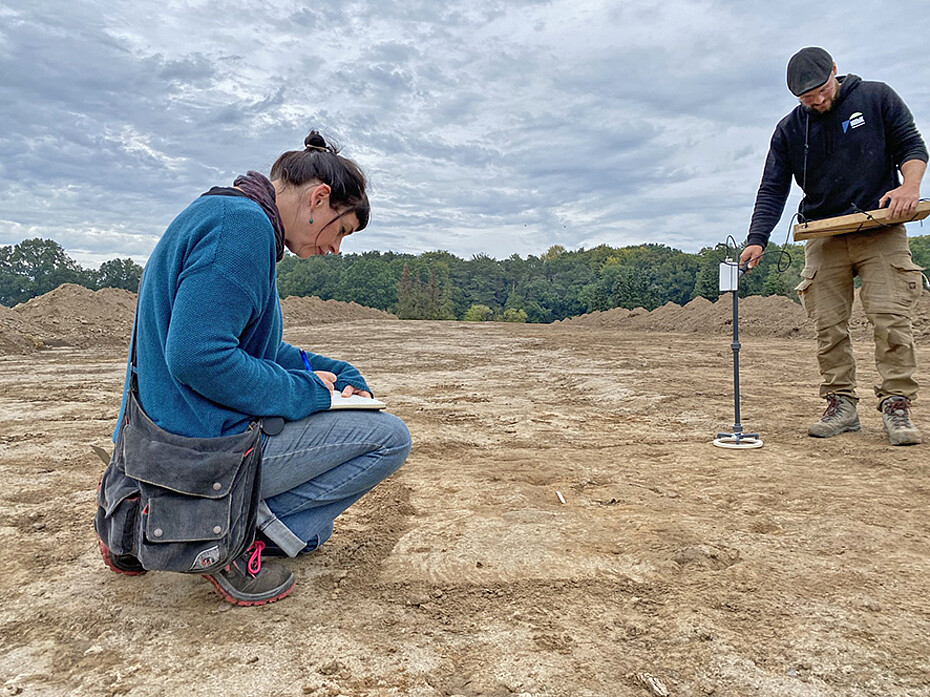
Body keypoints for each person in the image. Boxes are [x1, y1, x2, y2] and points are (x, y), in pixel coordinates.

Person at [98, 130, 412, 605]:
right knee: (389, 438)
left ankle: (199, 522)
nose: (336, 249)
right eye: (342, 230)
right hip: (198, 450)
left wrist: (328, 370)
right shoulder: (241, 229)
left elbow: (247, 343)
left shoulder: (227, 213)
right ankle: (232, 540)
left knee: (317, 526)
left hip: (165, 439)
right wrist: (310, 393)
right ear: (319, 198)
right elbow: (200, 357)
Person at [740, 47, 928, 446]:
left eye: (823, 91)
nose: (819, 101)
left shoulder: (876, 98)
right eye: (809, 98)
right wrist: (758, 238)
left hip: (880, 228)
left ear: (835, 72)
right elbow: (773, 187)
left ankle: (897, 404)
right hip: (824, 234)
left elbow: (912, 146)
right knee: (828, 326)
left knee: (890, 317)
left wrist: (910, 186)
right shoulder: (790, 129)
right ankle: (841, 404)